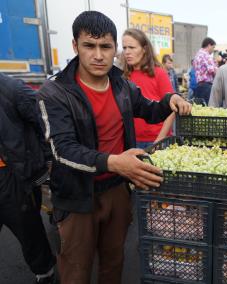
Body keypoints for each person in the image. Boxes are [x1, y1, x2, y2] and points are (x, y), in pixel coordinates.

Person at [37, 11, 191, 284]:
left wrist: (171, 99)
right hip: (76, 197)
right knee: (76, 270)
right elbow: (63, 150)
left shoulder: (121, 85)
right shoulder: (55, 92)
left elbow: (150, 109)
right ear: (76, 46)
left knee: (113, 263)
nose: (98, 55)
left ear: (114, 48)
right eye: (89, 46)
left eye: (105, 47)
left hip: (117, 191)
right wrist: (116, 162)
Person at [0, 73, 56, 284]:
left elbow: (45, 123)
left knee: (28, 229)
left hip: (11, 177)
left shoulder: (11, 89)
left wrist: (42, 161)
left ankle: (45, 273)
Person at [122, 28, 176, 149]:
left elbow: (171, 108)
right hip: (132, 141)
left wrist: (160, 139)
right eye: (125, 48)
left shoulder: (159, 73)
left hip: (155, 140)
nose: (127, 52)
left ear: (144, 49)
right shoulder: (123, 76)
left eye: (132, 47)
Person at [193, 37, 217, 104]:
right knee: (208, 109)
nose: (213, 50)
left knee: (200, 108)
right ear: (209, 45)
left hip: (199, 86)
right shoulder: (206, 55)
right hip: (206, 87)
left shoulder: (198, 55)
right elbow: (213, 70)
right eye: (213, 47)